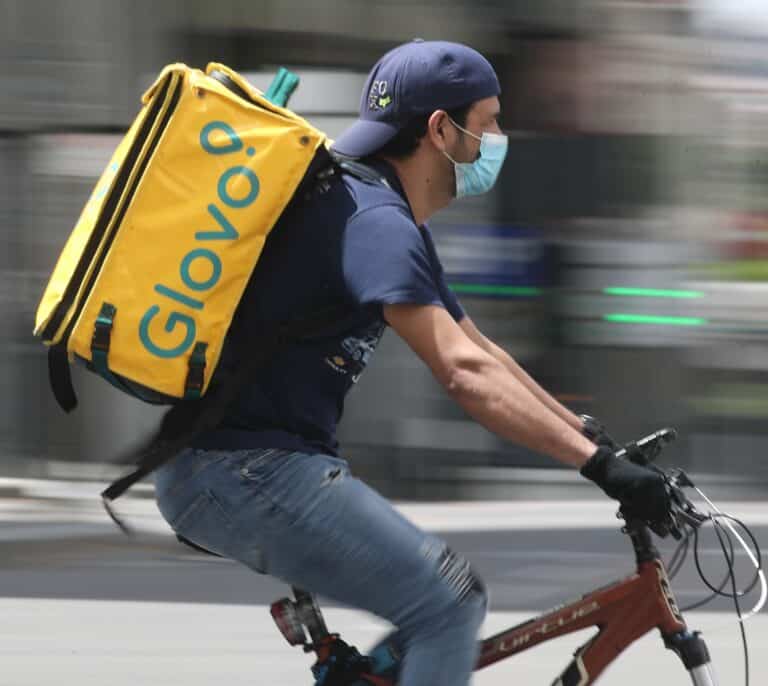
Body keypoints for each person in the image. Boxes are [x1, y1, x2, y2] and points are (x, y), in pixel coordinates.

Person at [153, 40, 670, 686]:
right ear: (440, 130)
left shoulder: (376, 210)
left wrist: (585, 433)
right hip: (243, 471)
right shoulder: (374, 222)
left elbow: (482, 349)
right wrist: (597, 469)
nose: (499, 138)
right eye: (489, 121)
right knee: (448, 606)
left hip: (243, 466)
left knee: (437, 611)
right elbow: (462, 374)